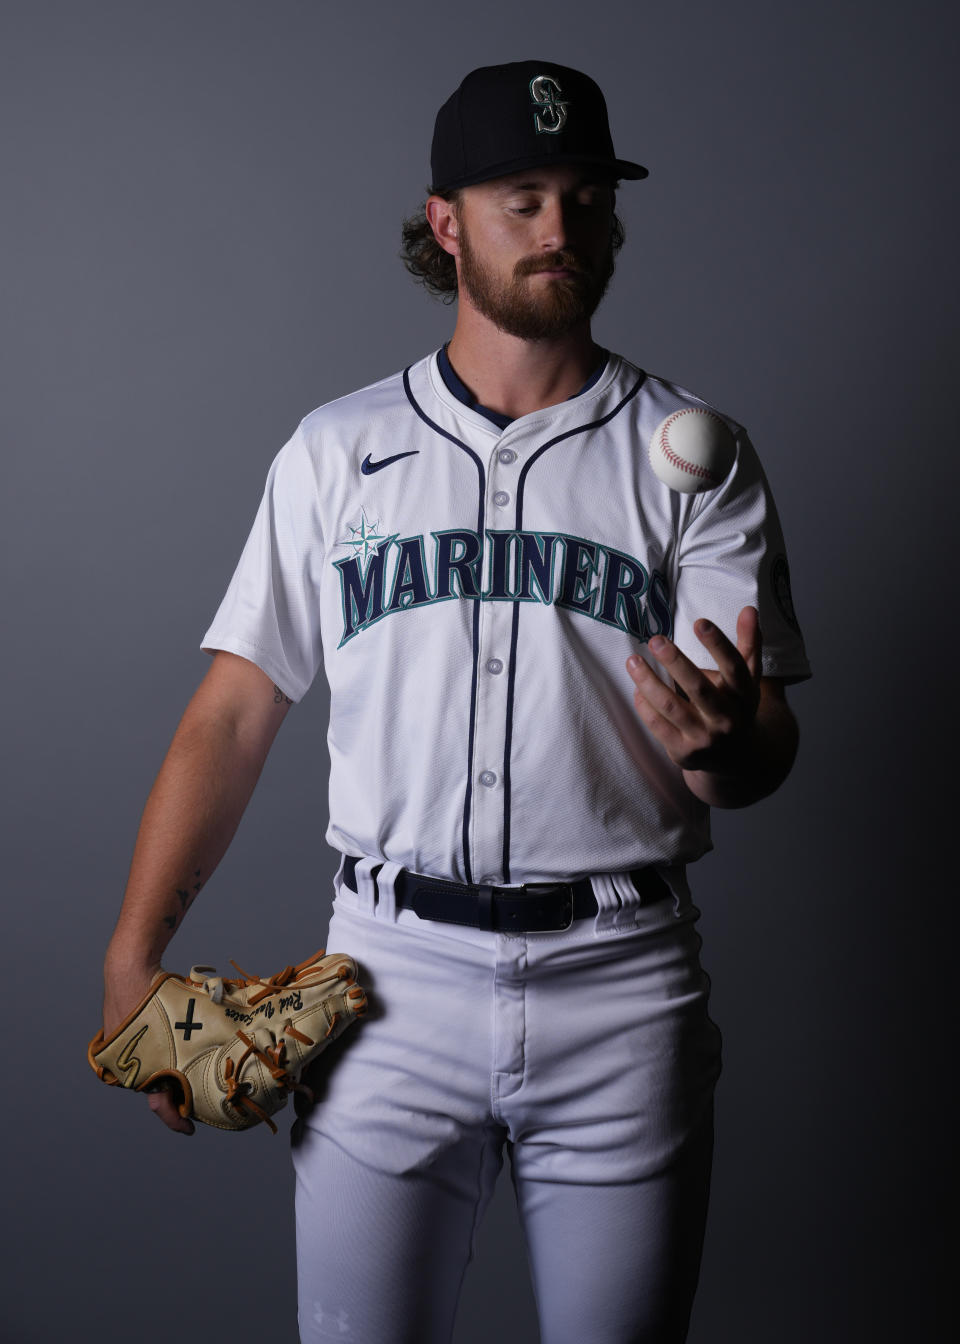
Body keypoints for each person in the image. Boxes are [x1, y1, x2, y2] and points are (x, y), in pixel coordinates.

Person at [101, 60, 810, 1344]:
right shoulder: (336, 450)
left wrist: (727, 742)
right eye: (522, 199)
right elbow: (233, 712)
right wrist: (129, 955)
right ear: (447, 223)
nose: (561, 230)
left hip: (623, 979)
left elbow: (749, 751)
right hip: (387, 979)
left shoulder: (696, 453)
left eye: (586, 199)